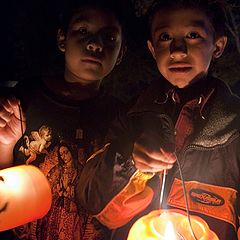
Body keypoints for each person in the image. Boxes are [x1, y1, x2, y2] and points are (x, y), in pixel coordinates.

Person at [76, 0, 240, 239]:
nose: (177, 50)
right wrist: (130, 159)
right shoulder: (132, 115)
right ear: (153, 49)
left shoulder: (234, 127)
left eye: (193, 35)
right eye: (165, 37)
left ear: (218, 45)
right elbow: (95, 205)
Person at [0, 0, 126, 239]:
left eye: (109, 37)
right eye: (82, 31)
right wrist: (5, 144)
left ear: (122, 53)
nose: (94, 44)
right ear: (62, 39)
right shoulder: (26, 97)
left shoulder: (120, 116)